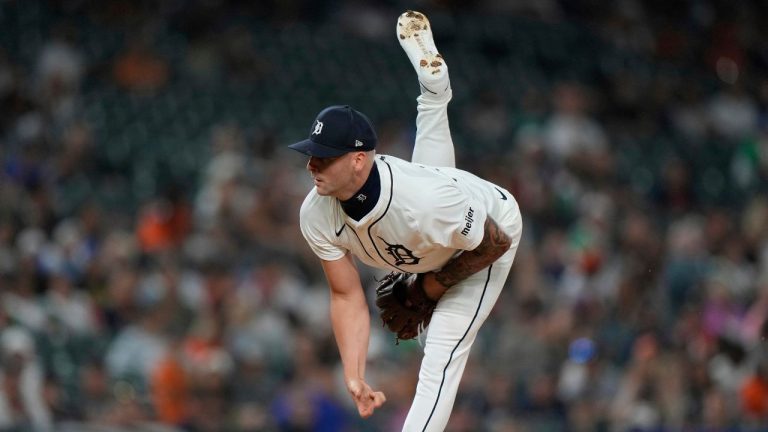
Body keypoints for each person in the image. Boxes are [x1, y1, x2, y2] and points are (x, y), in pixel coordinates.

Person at [288, 10, 523, 431]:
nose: (312, 165)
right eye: (310, 153)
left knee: (441, 353)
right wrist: (354, 373)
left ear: (358, 159)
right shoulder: (316, 212)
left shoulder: (425, 203)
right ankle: (434, 93)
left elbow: (494, 242)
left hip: (488, 225)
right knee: (433, 186)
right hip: (431, 222)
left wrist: (427, 290)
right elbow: (345, 296)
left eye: (323, 157)